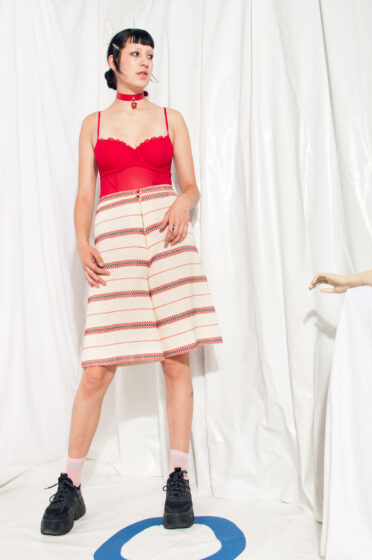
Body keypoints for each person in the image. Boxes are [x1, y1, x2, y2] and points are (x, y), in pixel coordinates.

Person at [40, 28, 223, 536]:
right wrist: (82, 242)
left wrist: (184, 200)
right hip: (115, 238)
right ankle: (71, 484)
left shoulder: (171, 118)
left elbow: (192, 185)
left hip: (168, 236)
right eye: (136, 53)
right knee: (97, 369)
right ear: (113, 60)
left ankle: (179, 478)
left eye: (150, 55)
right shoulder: (93, 124)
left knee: (175, 359)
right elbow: (85, 194)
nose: (145, 62)